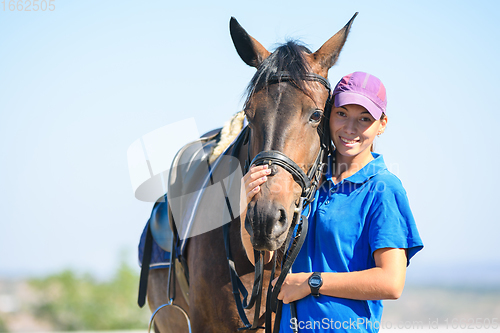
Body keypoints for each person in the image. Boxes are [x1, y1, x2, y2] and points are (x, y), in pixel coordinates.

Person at [241, 71, 423, 332]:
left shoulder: (383, 188)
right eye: (342, 114)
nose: (350, 128)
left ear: (382, 124)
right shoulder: (309, 183)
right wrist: (247, 204)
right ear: (328, 116)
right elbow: (264, 257)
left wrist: (312, 282)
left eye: (364, 119)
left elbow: (391, 282)